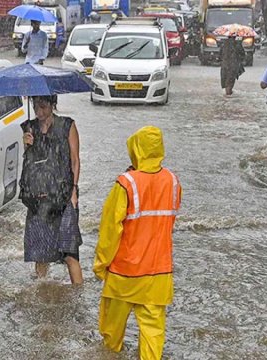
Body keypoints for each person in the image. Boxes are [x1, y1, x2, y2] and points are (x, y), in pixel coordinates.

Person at [93, 126, 182, 360]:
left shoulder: (125, 183)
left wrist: (101, 265)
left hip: (124, 273)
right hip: (159, 274)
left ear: (135, 148)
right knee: (153, 335)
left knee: (111, 335)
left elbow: (110, 230)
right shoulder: (173, 181)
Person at [20, 95, 83, 284]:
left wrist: (73, 191)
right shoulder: (29, 128)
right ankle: (42, 291)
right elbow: (30, 164)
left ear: (52, 105)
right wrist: (27, 145)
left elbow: (75, 159)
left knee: (70, 252)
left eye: (43, 107)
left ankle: (78, 297)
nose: (39, 112)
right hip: (39, 198)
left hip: (63, 196)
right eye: (35, 107)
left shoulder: (67, 125)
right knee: (41, 253)